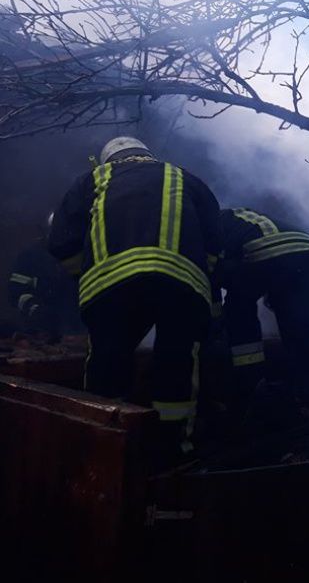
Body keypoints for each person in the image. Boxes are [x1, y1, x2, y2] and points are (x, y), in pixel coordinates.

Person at [48, 136, 222, 463]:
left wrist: (83, 276)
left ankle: (104, 451)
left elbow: (60, 241)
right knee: (176, 361)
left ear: (108, 160)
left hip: (110, 287)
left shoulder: (93, 179)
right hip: (181, 283)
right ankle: (172, 454)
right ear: (146, 155)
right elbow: (214, 239)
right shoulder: (184, 176)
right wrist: (205, 278)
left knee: (108, 361)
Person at [218, 208, 309, 404]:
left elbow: (217, 273)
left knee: (239, 310)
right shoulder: (241, 218)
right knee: (300, 334)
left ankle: (249, 386)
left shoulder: (214, 224)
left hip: (272, 252)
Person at [7, 213, 80, 339]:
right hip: (39, 331)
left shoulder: (76, 255)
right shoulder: (29, 257)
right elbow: (16, 292)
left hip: (75, 329)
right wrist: (35, 310)